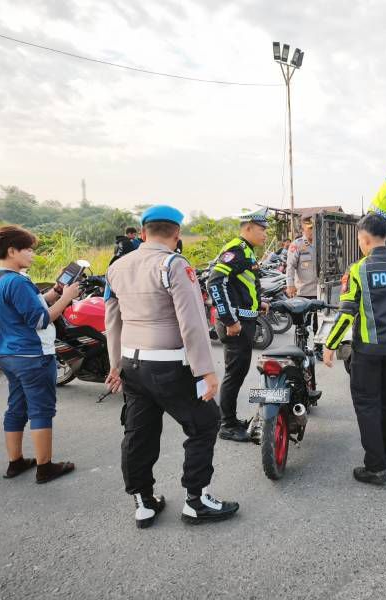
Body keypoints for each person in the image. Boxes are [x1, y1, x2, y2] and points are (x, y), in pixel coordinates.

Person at [104, 205, 238, 527]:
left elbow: (112, 319)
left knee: (138, 433)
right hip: (168, 365)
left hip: (133, 365)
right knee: (205, 423)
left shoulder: (117, 267)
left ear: (143, 231)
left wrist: (115, 365)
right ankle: (196, 501)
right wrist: (206, 371)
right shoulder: (174, 264)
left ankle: (144, 503)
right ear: (176, 234)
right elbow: (191, 321)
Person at [323, 214, 386, 486]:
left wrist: (330, 345)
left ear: (365, 240)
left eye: (359, 240)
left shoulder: (358, 271)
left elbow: (346, 314)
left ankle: (375, 467)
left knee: (368, 406)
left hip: (368, 352)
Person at [0, 225, 79, 483]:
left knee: (16, 407)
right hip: (33, 355)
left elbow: (30, 304)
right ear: (11, 250)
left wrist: (54, 293)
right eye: (27, 249)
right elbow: (40, 320)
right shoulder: (18, 281)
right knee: (41, 409)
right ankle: (45, 467)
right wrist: (67, 298)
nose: (31, 254)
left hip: (9, 354)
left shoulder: (2, 277)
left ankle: (15, 462)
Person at [206, 209, 270, 442]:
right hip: (237, 325)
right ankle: (227, 425)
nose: (265, 234)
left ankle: (230, 420)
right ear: (248, 228)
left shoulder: (247, 251)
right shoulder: (237, 250)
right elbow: (215, 282)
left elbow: (239, 285)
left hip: (245, 319)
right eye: (262, 229)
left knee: (238, 373)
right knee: (234, 375)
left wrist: (257, 303)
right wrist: (230, 320)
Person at [286, 216, 322, 358]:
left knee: (318, 323)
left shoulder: (322, 244)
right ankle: (302, 348)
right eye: (310, 229)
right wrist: (290, 285)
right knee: (303, 323)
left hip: (319, 291)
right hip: (303, 291)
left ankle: (318, 348)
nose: (313, 232)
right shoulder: (297, 244)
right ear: (303, 229)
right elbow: (290, 267)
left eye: (314, 228)